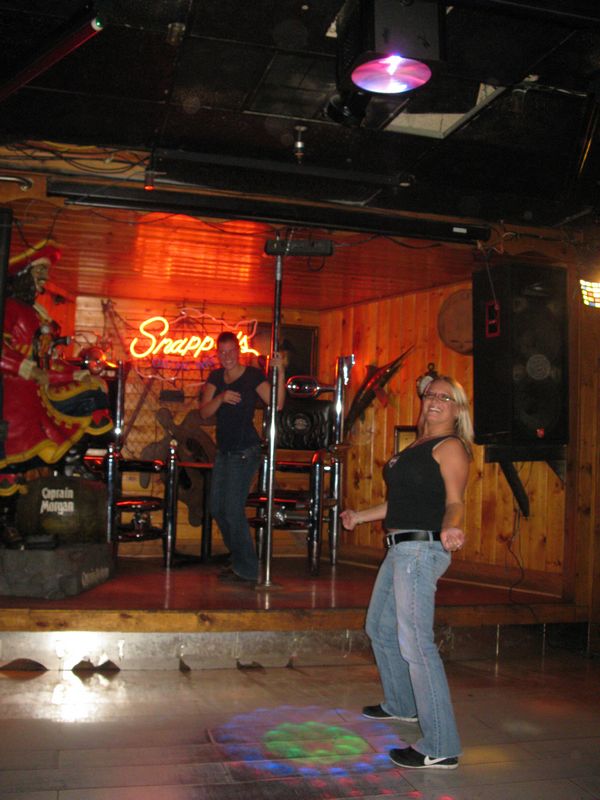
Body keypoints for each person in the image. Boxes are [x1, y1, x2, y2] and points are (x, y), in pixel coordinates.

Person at [340, 376, 473, 770]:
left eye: (445, 397)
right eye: (431, 394)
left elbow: (455, 502)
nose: (435, 400)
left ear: (457, 410)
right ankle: (402, 704)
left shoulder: (450, 447)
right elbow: (398, 503)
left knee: (416, 644)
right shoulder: (417, 446)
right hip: (400, 549)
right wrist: (359, 516)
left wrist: (451, 527)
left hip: (421, 549)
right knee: (379, 629)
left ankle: (441, 744)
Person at [198, 331, 285, 582]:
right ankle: (240, 560)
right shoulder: (216, 378)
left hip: (245, 451)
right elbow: (204, 412)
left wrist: (280, 372)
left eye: (231, 351)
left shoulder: (252, 376)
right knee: (217, 508)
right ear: (218, 354)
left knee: (232, 510)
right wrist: (221, 397)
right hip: (224, 451)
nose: (227, 356)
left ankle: (248, 568)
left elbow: (277, 404)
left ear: (238, 351)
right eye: (222, 352)